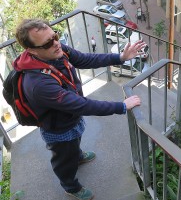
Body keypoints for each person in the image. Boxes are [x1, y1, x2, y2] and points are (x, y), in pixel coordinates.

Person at [13, 18, 146, 200]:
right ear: (32, 50)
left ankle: (77, 155)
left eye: (55, 36)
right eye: (47, 43)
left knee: (75, 141)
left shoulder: (57, 51)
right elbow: (81, 105)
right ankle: (71, 186)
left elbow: (84, 59)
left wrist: (120, 58)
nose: (56, 44)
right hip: (58, 128)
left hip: (70, 117)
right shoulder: (38, 84)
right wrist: (121, 106)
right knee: (63, 159)